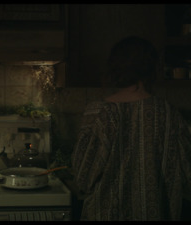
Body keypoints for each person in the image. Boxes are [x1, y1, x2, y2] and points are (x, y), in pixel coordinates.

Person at [71, 36, 191, 221]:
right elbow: (187, 176)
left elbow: (82, 179)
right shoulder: (169, 113)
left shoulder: (98, 113)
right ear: (152, 68)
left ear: (114, 67)